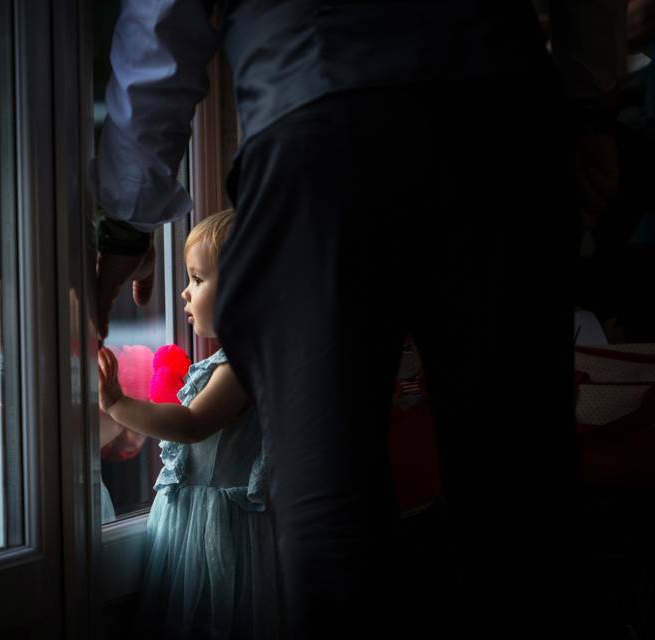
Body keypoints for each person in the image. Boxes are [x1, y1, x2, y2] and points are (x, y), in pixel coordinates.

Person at [91, 1, 627, 636]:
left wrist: (128, 219)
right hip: (494, 108)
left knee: (328, 492)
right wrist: (590, 108)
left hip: (315, 108)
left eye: (199, 277)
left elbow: (161, 22)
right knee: (517, 482)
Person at [97, 210, 279, 639]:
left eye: (197, 279)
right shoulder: (226, 364)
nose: (184, 292)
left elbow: (192, 423)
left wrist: (118, 404)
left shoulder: (241, 368)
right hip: (195, 522)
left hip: (216, 531)